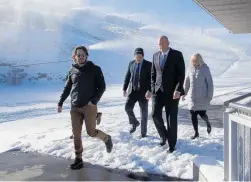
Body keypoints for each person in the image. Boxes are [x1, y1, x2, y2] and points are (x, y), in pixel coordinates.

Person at [57, 46, 113, 170]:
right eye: (78, 55)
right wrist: (60, 102)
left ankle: (106, 138)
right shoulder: (72, 70)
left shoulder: (95, 69)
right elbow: (67, 88)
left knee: (91, 132)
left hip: (89, 106)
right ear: (75, 56)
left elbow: (102, 87)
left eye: (83, 55)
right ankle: (78, 159)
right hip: (75, 107)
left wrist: (93, 101)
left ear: (87, 56)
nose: (81, 57)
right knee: (76, 134)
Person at [151, 36, 185, 153]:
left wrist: (178, 89)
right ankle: (164, 135)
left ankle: (172, 144)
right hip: (158, 91)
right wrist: (152, 89)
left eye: (162, 43)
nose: (160, 46)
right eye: (158, 44)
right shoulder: (155, 55)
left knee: (171, 119)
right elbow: (153, 74)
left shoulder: (177, 55)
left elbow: (181, 75)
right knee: (155, 114)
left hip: (172, 93)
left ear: (168, 43)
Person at [182, 53, 213, 139]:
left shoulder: (205, 69)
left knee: (202, 113)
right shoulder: (189, 69)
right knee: (193, 114)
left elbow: (210, 83)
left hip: (202, 96)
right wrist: (184, 93)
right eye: (193, 61)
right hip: (192, 96)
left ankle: (207, 123)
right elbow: (187, 82)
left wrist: (209, 96)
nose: (194, 62)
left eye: (195, 60)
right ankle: (196, 133)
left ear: (200, 60)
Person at [123, 48, 152, 138]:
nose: (138, 58)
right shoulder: (131, 63)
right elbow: (128, 76)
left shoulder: (148, 64)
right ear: (134, 56)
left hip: (144, 93)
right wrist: (124, 88)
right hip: (133, 91)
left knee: (144, 113)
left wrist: (150, 91)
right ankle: (134, 122)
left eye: (140, 56)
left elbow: (152, 79)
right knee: (127, 107)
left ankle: (143, 133)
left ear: (143, 56)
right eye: (136, 56)